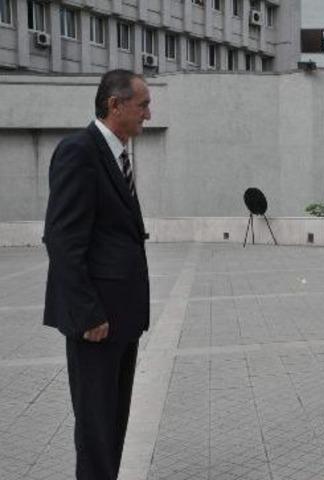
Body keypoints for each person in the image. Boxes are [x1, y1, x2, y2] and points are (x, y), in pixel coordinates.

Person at [43, 69, 152, 480]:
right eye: (142, 104)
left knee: (113, 421)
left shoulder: (118, 153)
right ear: (115, 104)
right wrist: (88, 313)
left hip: (122, 319)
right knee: (95, 425)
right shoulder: (79, 151)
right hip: (96, 321)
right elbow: (62, 239)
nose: (148, 113)